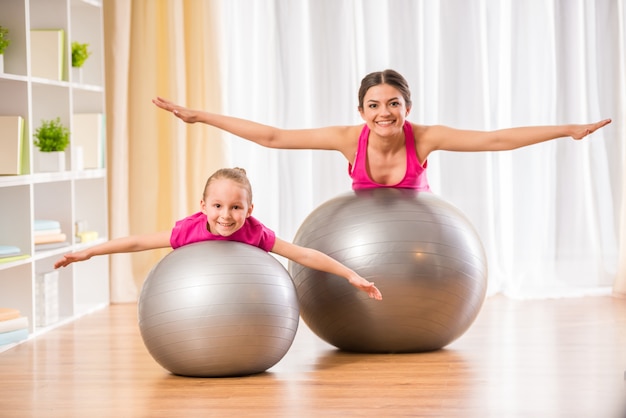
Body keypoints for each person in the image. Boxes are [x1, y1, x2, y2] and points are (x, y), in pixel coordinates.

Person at [152, 69, 612, 191]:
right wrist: (200, 116)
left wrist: (567, 130)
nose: (384, 113)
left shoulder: (426, 136)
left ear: (407, 107)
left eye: (393, 104)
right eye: (373, 105)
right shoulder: (347, 139)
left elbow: (494, 140)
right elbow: (272, 137)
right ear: (361, 111)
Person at [54, 168, 382, 300]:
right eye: (217, 206)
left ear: (250, 210)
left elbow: (303, 254)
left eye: (236, 208)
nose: (226, 216)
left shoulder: (255, 233)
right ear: (203, 206)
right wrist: (89, 252)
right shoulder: (190, 230)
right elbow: (138, 241)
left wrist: (350, 274)